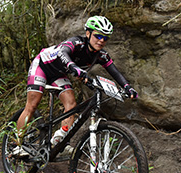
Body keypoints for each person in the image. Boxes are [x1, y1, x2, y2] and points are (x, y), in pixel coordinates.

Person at [14, 16, 138, 156]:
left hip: (58, 75)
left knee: (71, 105)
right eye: (98, 35)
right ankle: (17, 144)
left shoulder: (101, 55)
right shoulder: (76, 42)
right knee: (32, 104)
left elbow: (114, 72)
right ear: (88, 33)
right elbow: (63, 52)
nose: (101, 40)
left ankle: (59, 140)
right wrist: (75, 68)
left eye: (105, 38)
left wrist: (127, 87)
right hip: (42, 66)